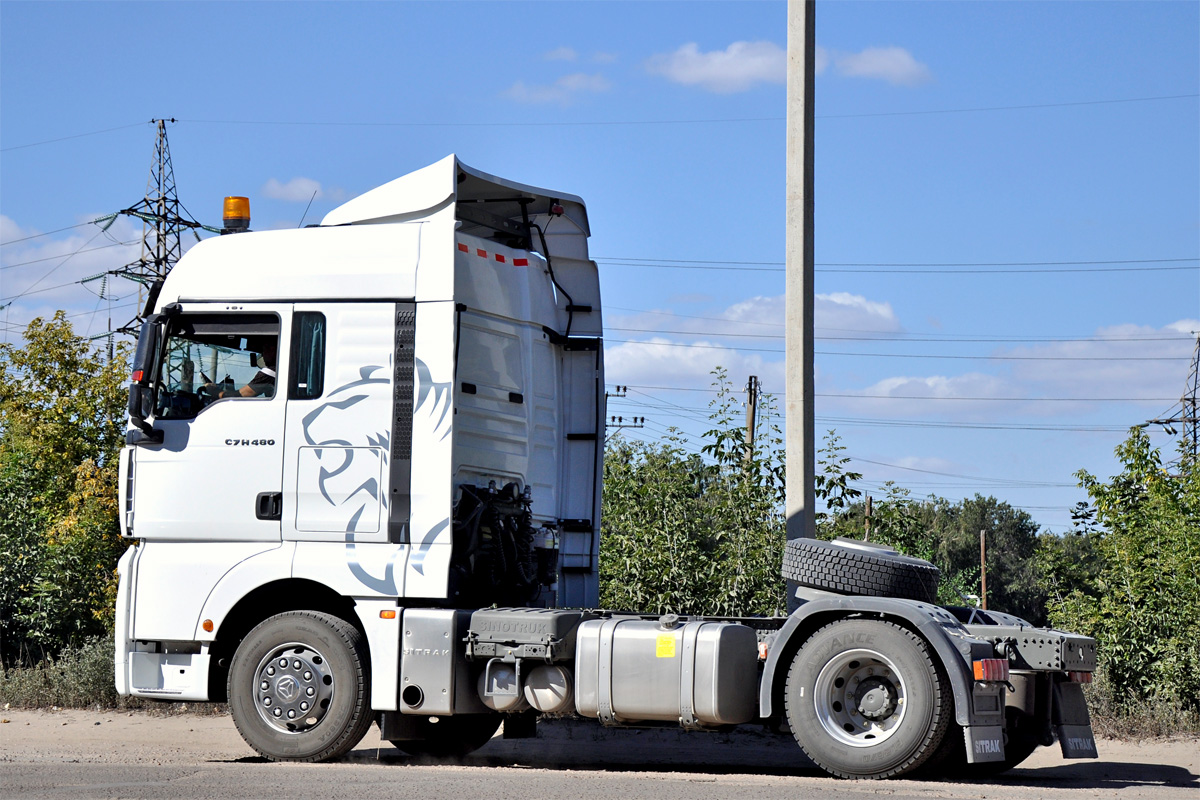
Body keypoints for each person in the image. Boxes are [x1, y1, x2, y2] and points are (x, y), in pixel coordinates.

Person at [211, 340, 277, 399]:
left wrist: (213, 391)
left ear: (273, 351)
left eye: (265, 349)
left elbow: (239, 396)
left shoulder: (270, 373)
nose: (263, 354)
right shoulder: (279, 373)